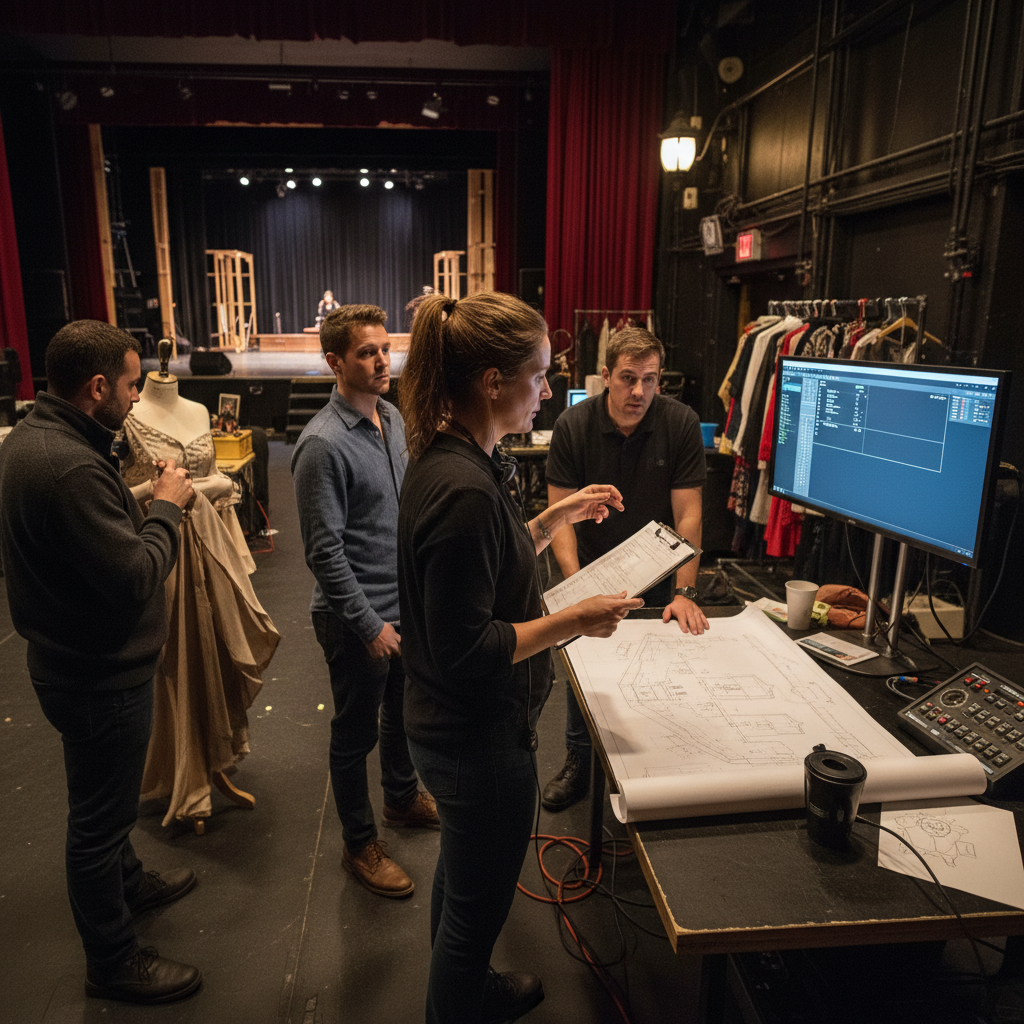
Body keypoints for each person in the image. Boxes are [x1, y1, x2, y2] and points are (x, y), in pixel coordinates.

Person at [398, 291, 643, 1024]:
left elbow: (490, 564)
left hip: (453, 732)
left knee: (462, 884)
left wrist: (553, 517)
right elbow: (467, 647)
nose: (548, 390)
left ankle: (466, 992)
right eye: (538, 376)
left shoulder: (457, 460)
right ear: (492, 382)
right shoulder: (464, 490)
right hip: (475, 742)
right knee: (474, 916)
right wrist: (574, 619)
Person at [0, 320, 201, 1004]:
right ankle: (112, 961)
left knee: (103, 803)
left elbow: (85, 538)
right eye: (131, 385)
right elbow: (135, 577)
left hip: (72, 663)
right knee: (98, 823)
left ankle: (128, 883)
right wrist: (168, 509)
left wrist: (138, 500)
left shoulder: (34, 437)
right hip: (98, 677)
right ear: (96, 387)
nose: (137, 396)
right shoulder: (70, 466)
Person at [292, 304, 438, 900]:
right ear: (335, 362)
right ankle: (359, 844)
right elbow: (324, 553)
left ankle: (401, 797)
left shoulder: (393, 418)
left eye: (385, 349)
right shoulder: (322, 445)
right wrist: (369, 623)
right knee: (355, 735)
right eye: (366, 353)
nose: (382, 361)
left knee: (400, 713)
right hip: (355, 620)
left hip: (402, 609)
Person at [541, 326, 709, 812]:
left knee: (651, 670)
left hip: (657, 572)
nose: (639, 391)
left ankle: (646, 762)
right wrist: (577, 584)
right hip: (591, 564)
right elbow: (559, 517)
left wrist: (685, 593)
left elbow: (689, 514)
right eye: (629, 378)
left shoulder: (680, 422)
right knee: (586, 670)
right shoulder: (573, 424)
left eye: (650, 379)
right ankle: (579, 759)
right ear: (606, 376)